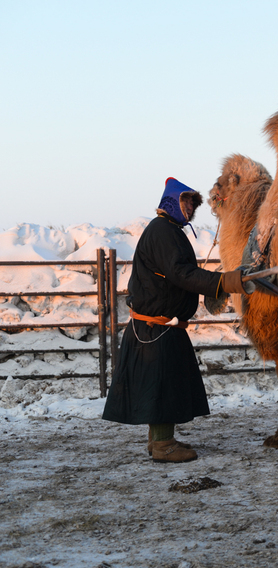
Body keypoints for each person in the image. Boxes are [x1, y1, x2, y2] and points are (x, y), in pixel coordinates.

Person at [102, 177, 247, 462]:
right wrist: (225, 282)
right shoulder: (164, 232)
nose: (191, 206)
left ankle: (158, 439)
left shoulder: (168, 231)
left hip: (160, 324)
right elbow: (180, 273)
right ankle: (163, 445)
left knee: (162, 384)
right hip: (155, 327)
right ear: (170, 200)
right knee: (161, 385)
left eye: (193, 201)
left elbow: (178, 274)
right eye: (186, 200)